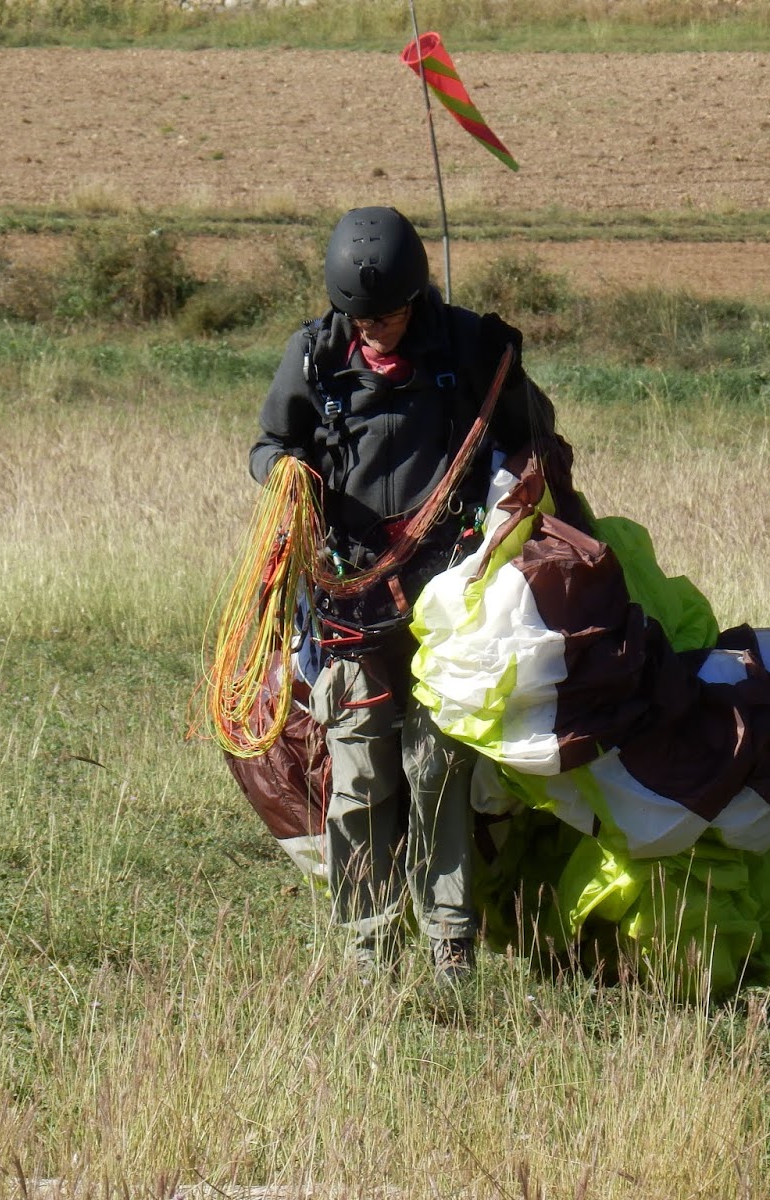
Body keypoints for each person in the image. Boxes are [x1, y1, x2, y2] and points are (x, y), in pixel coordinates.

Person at [249, 206, 559, 984]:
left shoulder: (469, 349)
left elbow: (535, 436)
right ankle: (368, 948)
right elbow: (271, 444)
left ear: (415, 299)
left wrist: (512, 483)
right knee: (359, 776)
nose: (375, 332)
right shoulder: (315, 356)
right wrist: (285, 476)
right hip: (349, 604)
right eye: (362, 320)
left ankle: (449, 941)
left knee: (437, 768)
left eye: (387, 318)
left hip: (448, 604)